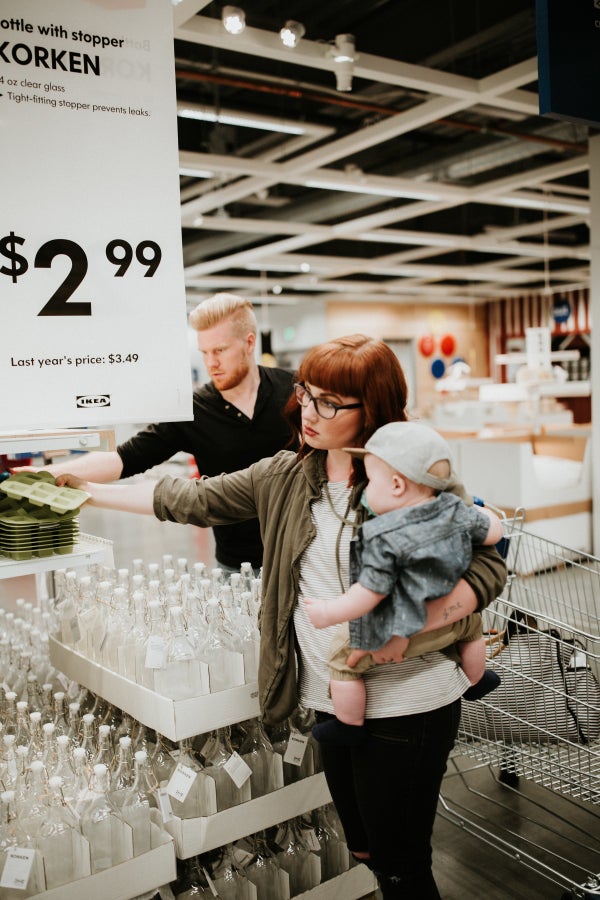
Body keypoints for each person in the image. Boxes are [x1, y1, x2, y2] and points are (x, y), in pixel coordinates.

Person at [57, 333, 507, 899]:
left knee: (401, 864)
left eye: (328, 402)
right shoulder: (288, 476)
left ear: (375, 410)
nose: (306, 411)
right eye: (305, 393)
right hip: (330, 697)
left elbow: (489, 565)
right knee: (365, 848)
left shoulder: (410, 480)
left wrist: (428, 616)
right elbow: (190, 499)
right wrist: (85, 491)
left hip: (409, 703)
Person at [13, 293, 295, 574]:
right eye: (204, 352)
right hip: (237, 566)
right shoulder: (194, 409)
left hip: (302, 556)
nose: (211, 363)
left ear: (248, 342)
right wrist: (43, 477)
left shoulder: (295, 391)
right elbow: (127, 457)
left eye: (220, 350)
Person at [304, 420, 503, 747]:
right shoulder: (454, 508)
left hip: (400, 629)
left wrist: (329, 611)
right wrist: (491, 520)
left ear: (397, 486)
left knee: (341, 657)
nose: (365, 491)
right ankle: (476, 680)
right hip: (457, 619)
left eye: (369, 482)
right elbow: (494, 531)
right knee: (472, 629)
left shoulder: (384, 537)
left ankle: (349, 724)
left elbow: (368, 594)